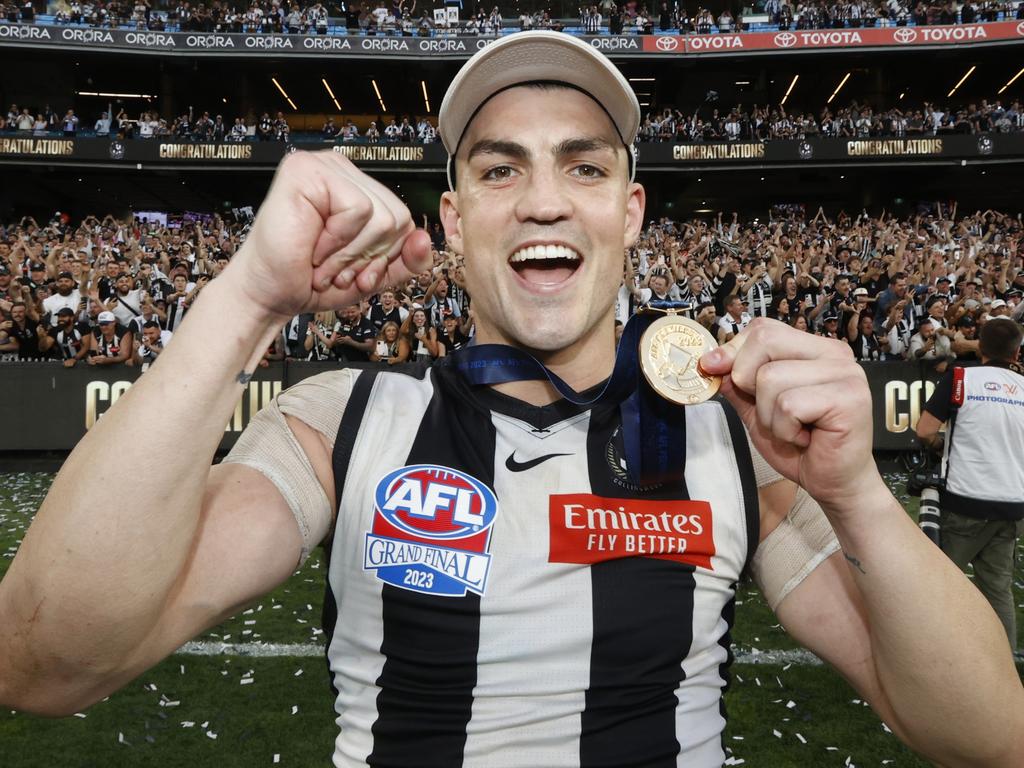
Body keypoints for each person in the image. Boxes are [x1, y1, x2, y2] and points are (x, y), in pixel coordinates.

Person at [1, 31, 1022, 768]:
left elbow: (985, 735)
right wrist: (246, 298)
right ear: (452, 220)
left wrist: (856, 496)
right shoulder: (341, 421)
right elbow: (46, 664)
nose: (543, 198)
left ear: (628, 215)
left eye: (582, 166)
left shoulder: (732, 442)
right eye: (501, 170)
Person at [916, 318, 1024, 656]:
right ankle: (1004, 669)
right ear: (1016, 351)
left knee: (938, 585)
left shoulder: (961, 377)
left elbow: (924, 430)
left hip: (965, 499)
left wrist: (941, 445)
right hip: (1011, 504)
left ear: (981, 346)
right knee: (998, 591)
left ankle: (930, 659)